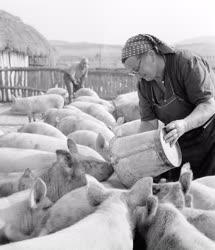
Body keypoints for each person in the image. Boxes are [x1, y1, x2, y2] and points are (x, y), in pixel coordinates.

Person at [121, 34, 215, 180]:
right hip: (180, 139)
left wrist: (184, 124)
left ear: (150, 55)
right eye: (133, 73)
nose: (138, 76)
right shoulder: (144, 85)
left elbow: (208, 104)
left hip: (210, 136)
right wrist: (133, 151)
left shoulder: (186, 63)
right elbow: (148, 123)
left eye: (137, 68)